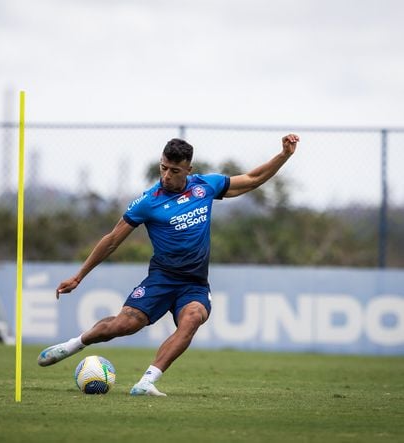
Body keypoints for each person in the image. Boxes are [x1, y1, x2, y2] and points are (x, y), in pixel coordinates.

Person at [37, 134, 300, 396]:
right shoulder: (148, 201)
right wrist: (78, 276)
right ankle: (73, 345)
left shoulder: (205, 187)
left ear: (188, 169)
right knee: (123, 325)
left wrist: (284, 155)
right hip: (161, 279)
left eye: (174, 170)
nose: (167, 175)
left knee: (193, 318)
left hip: (194, 283)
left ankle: (147, 381)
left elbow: (252, 180)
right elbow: (112, 240)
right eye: (163, 168)